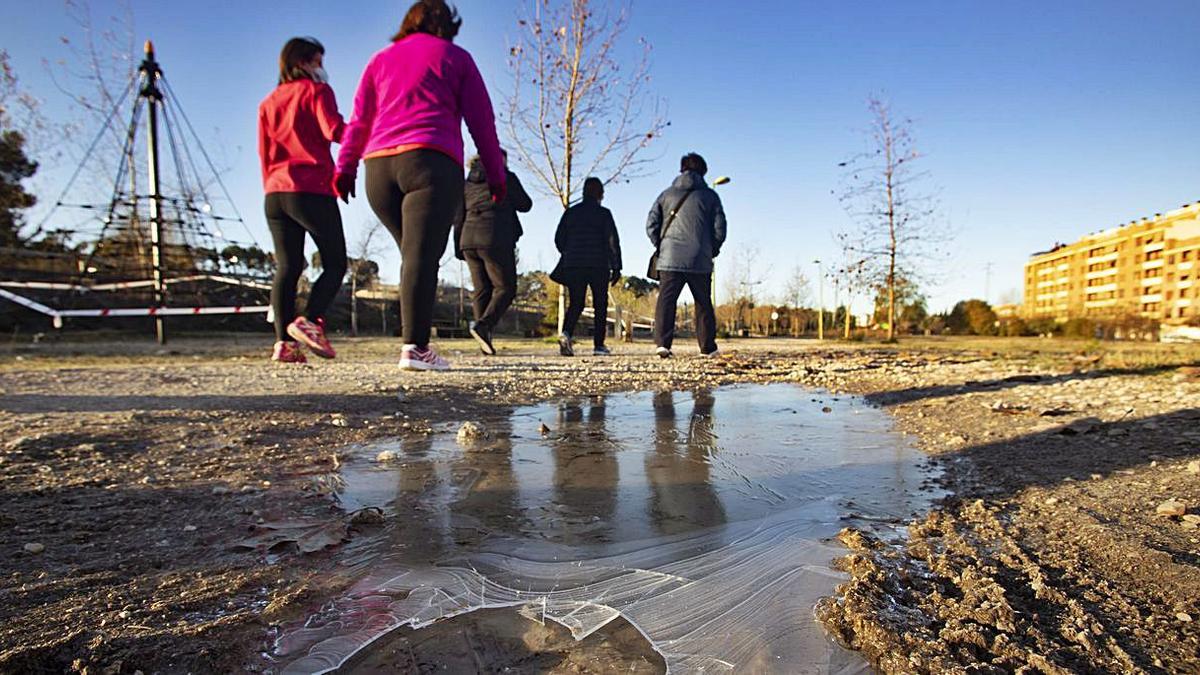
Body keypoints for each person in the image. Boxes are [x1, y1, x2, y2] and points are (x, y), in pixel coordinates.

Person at [333, 0, 505, 372]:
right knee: (421, 258)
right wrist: (496, 174)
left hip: (378, 170)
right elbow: (482, 123)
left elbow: (360, 118)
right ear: (448, 26)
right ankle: (416, 348)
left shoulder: (380, 60)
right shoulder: (456, 58)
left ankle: (415, 342)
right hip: (429, 162)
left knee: (413, 256)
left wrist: (345, 166)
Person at [258, 36, 346, 364]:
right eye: (318, 61)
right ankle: (309, 321)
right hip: (311, 188)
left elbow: (264, 152)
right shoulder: (316, 91)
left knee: (289, 266)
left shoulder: (267, 103)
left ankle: (284, 344)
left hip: (275, 193)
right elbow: (334, 130)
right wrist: (368, 134)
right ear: (303, 63)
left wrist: (271, 185)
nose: (323, 69)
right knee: (336, 262)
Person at [646, 152, 727, 358]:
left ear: (681, 169)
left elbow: (651, 224)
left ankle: (663, 345)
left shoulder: (666, 194)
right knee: (703, 302)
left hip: (670, 257)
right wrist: (711, 249)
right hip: (700, 257)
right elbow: (720, 229)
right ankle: (707, 347)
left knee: (666, 300)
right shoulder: (710, 196)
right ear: (703, 171)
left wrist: (662, 245)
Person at [453, 150, 532, 355]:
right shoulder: (505, 176)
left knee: (482, 290)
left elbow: (458, 215)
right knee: (506, 287)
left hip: (468, 240)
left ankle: (484, 342)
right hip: (494, 236)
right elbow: (525, 204)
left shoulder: (466, 183)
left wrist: (458, 246)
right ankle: (484, 326)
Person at [552, 177, 622, 357]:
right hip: (598, 264)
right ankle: (599, 345)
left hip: (574, 264)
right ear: (600, 194)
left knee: (576, 302)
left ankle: (566, 333)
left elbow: (559, 238)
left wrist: (569, 252)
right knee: (600, 304)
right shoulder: (604, 214)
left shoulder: (571, 213)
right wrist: (616, 266)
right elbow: (613, 241)